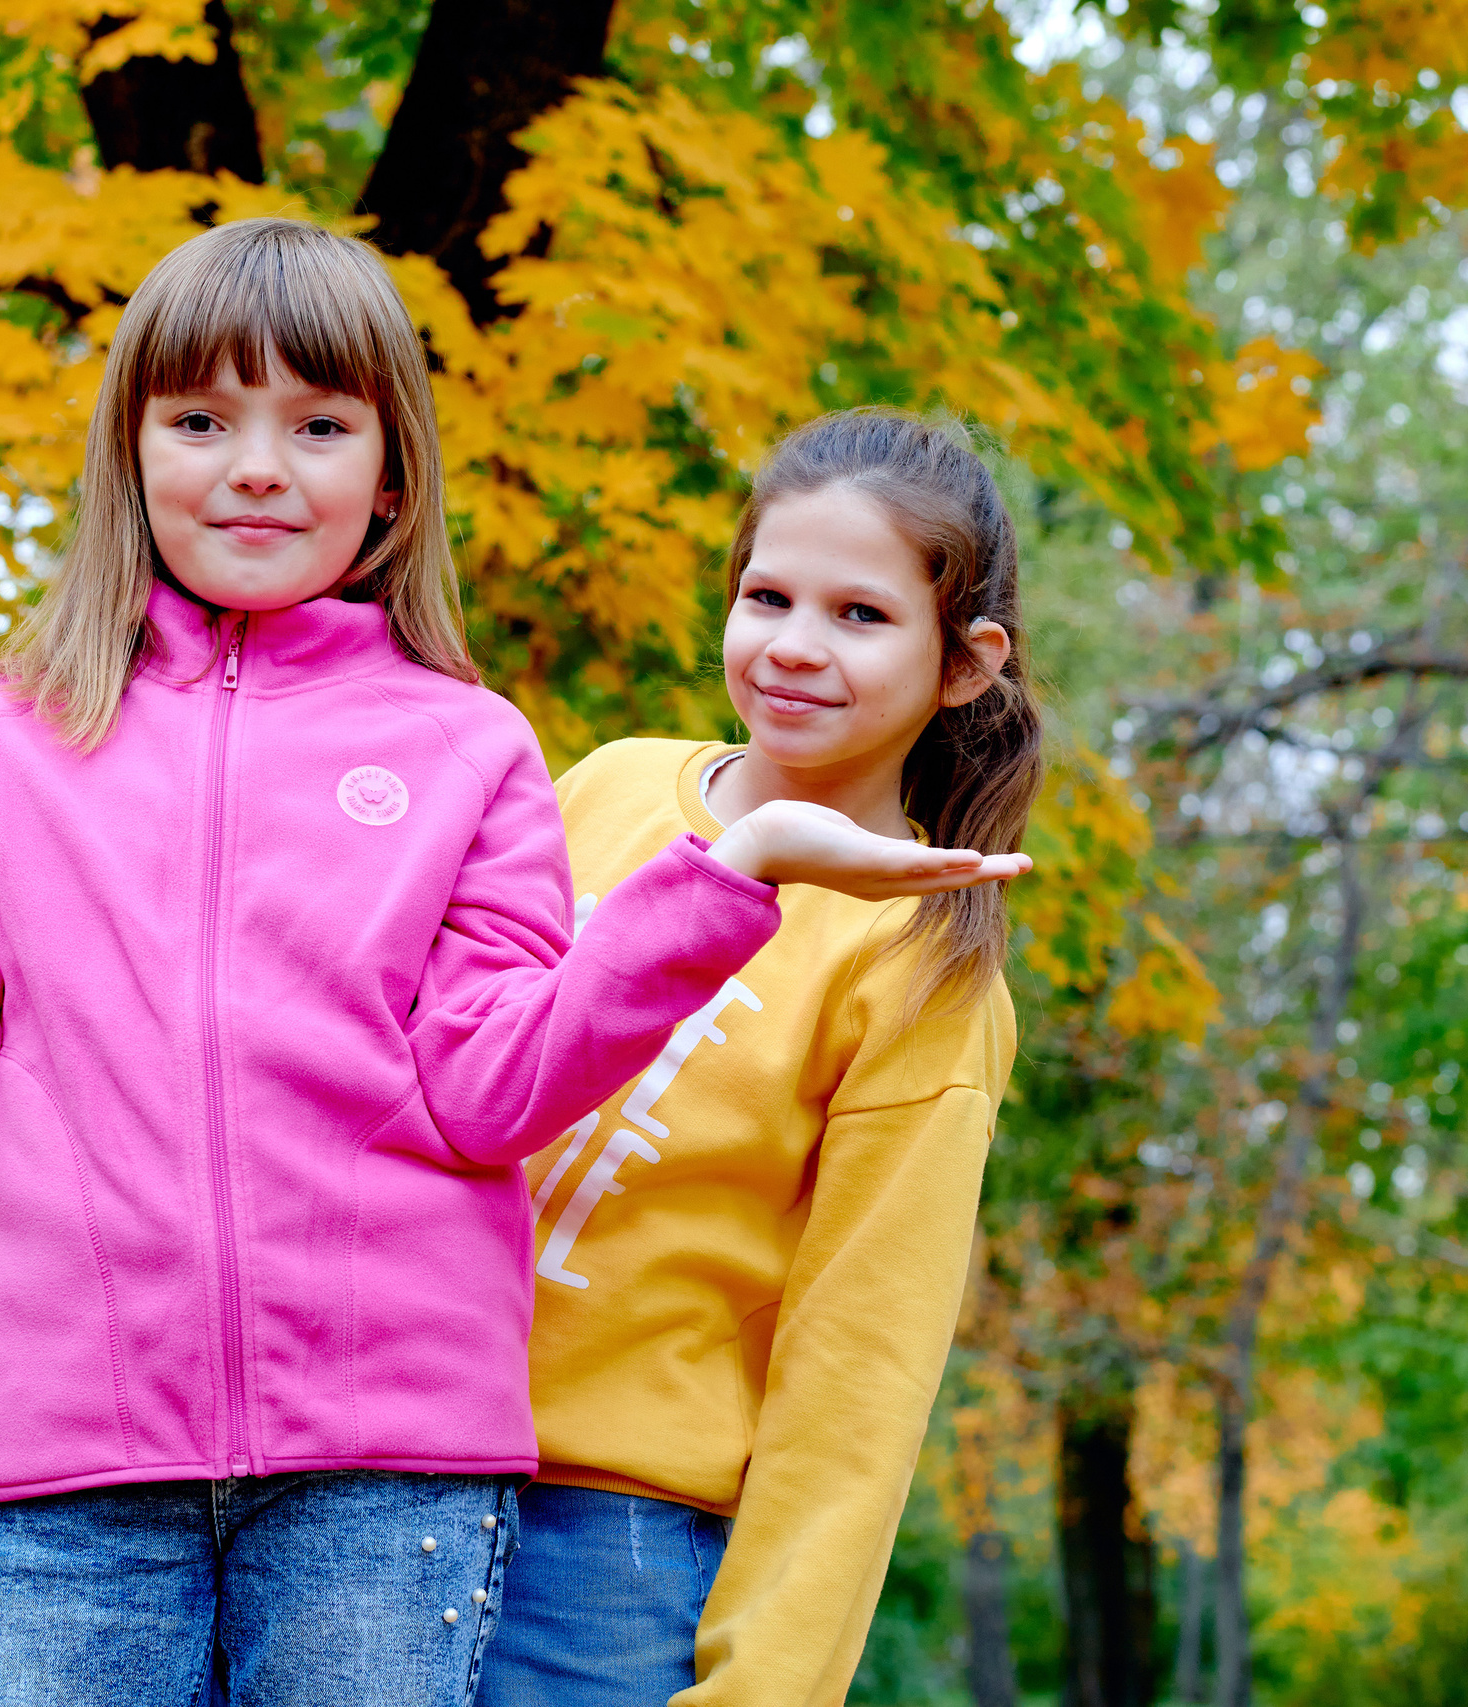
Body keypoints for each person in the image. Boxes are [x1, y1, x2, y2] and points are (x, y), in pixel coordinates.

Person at [0, 222, 1027, 1707]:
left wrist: (730, 878)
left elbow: (493, 1084)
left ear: (391, 472)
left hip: (387, 1477)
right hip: (63, 1474)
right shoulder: (8, 734)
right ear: (130, 449)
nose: (255, 467)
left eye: (317, 425)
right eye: (201, 420)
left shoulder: (472, 746)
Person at [477, 409, 1040, 1707]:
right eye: (767, 595)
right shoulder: (610, 788)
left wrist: (761, 1688)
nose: (792, 646)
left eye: (859, 615)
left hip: (610, 1563)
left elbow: (857, 1378)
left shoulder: (924, 969)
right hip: (381, 1485)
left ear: (965, 664)